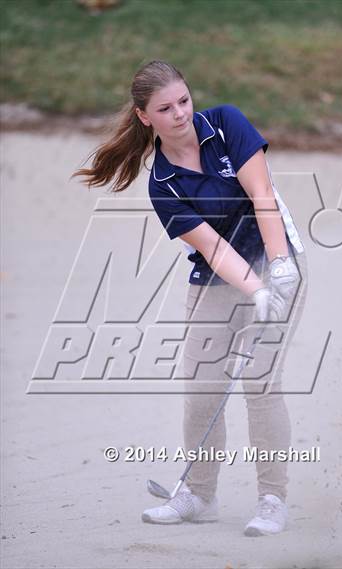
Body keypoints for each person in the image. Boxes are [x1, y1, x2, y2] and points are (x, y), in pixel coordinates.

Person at [72, 59, 308, 537]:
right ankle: (200, 495)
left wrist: (277, 270)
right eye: (165, 107)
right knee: (202, 390)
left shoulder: (225, 124)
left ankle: (271, 500)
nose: (180, 113)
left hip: (279, 258)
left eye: (183, 100)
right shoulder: (163, 184)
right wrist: (255, 288)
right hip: (220, 276)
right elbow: (213, 248)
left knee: (260, 384)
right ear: (145, 117)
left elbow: (261, 195)